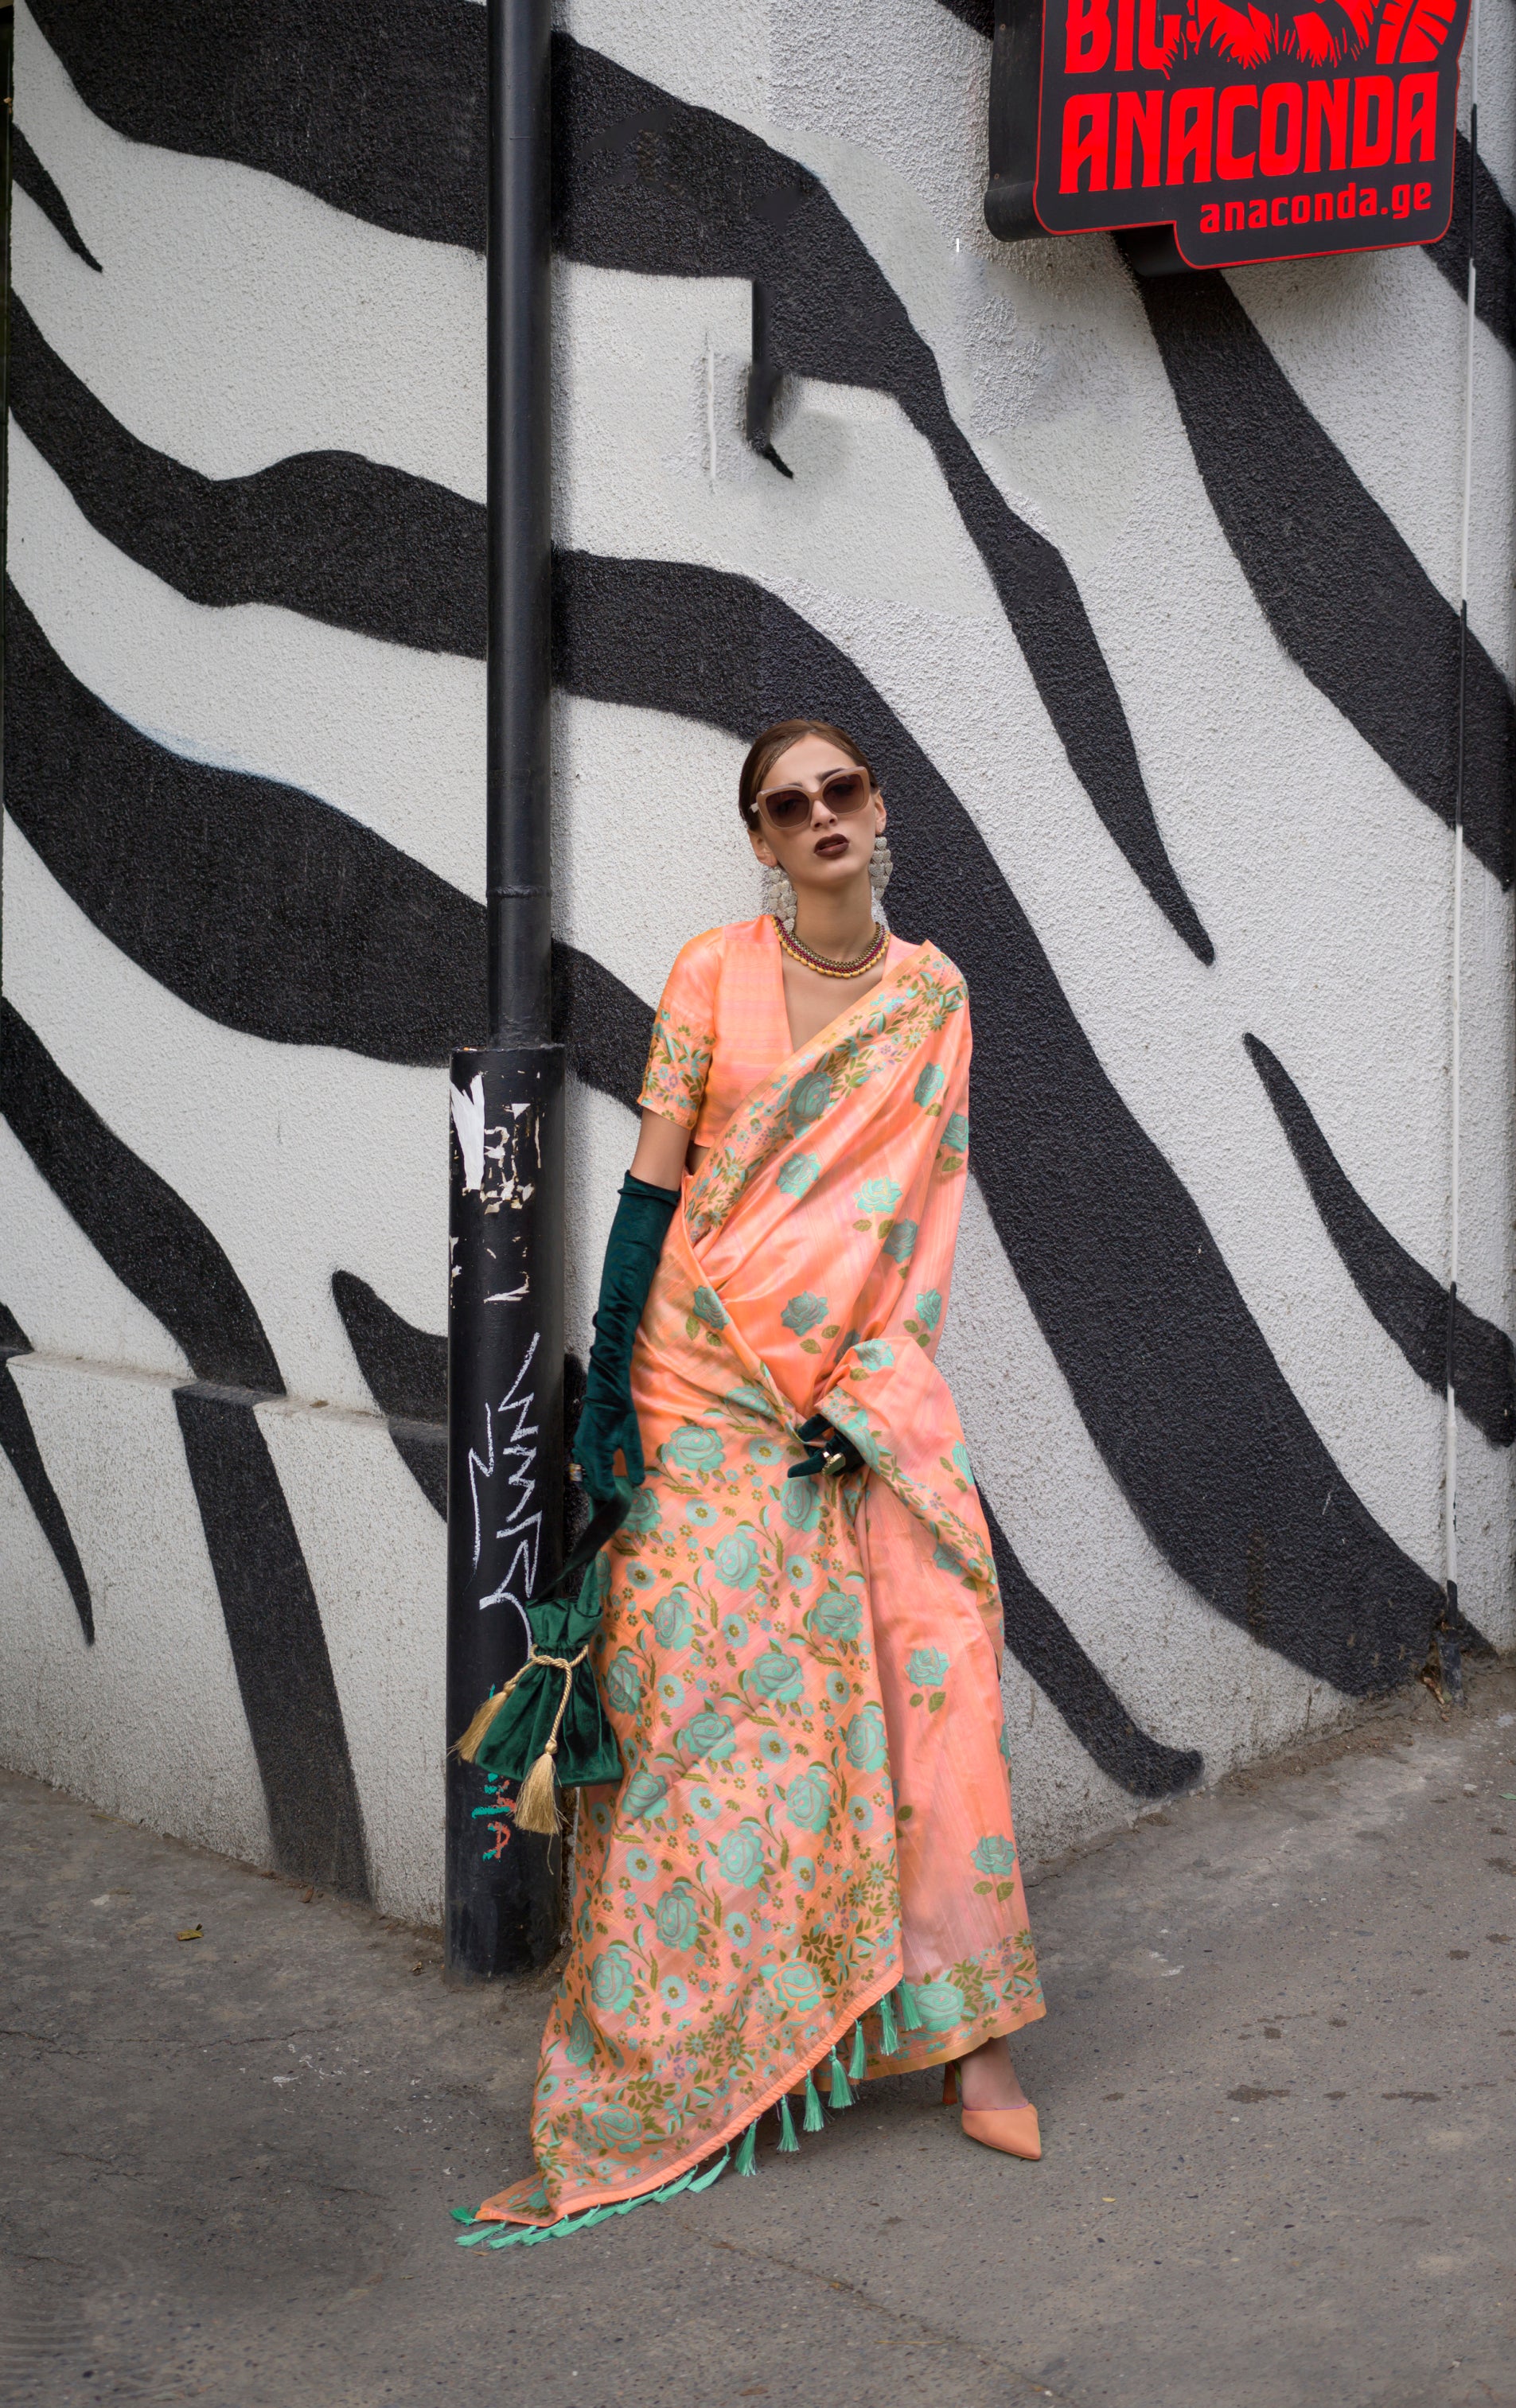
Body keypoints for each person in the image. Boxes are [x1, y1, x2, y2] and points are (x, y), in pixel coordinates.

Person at [463, 719, 1043, 2246]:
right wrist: (605, 1390)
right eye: (789, 806)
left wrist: (869, 1393)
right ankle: (668, 2052)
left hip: (852, 1392)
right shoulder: (710, 972)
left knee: (931, 1659)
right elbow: (657, 1184)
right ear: (764, 843)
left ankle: (972, 2035)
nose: (821, 815)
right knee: (697, 1711)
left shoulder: (931, 1001)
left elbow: (921, 1218)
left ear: (878, 813)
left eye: (841, 789)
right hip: (698, 1381)